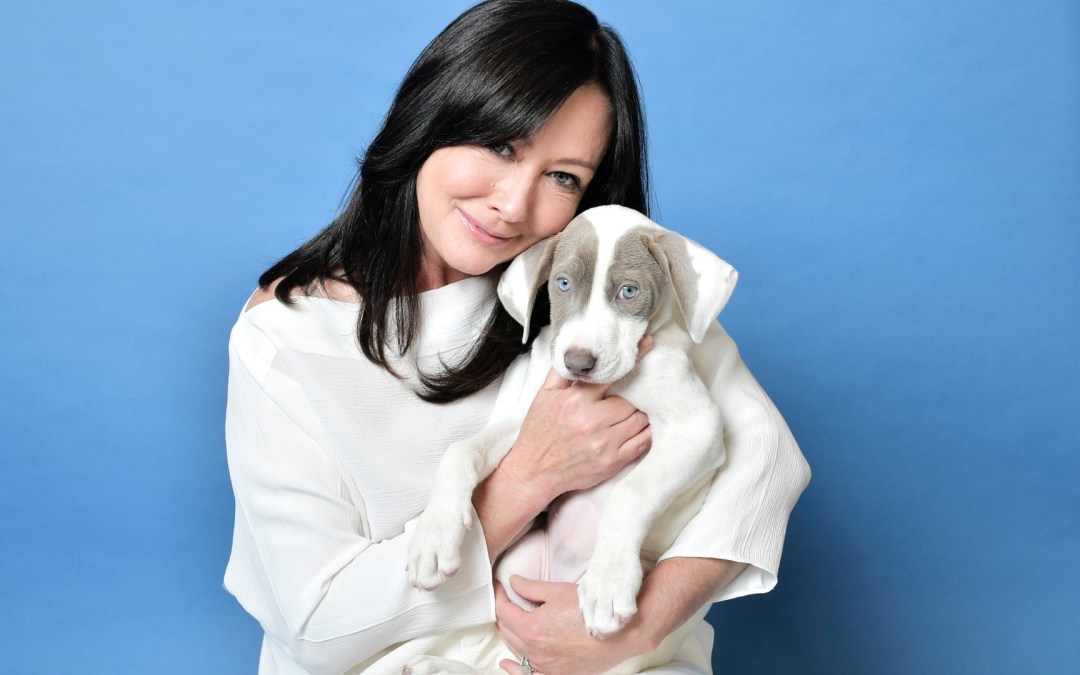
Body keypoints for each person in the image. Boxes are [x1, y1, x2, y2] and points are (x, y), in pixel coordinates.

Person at [222, 1, 810, 673]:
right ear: (431, 117)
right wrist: (528, 474)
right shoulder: (286, 339)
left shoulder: (589, 295)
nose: (514, 203)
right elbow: (318, 626)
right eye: (501, 145)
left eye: (563, 177)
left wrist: (641, 621)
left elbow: (766, 460)